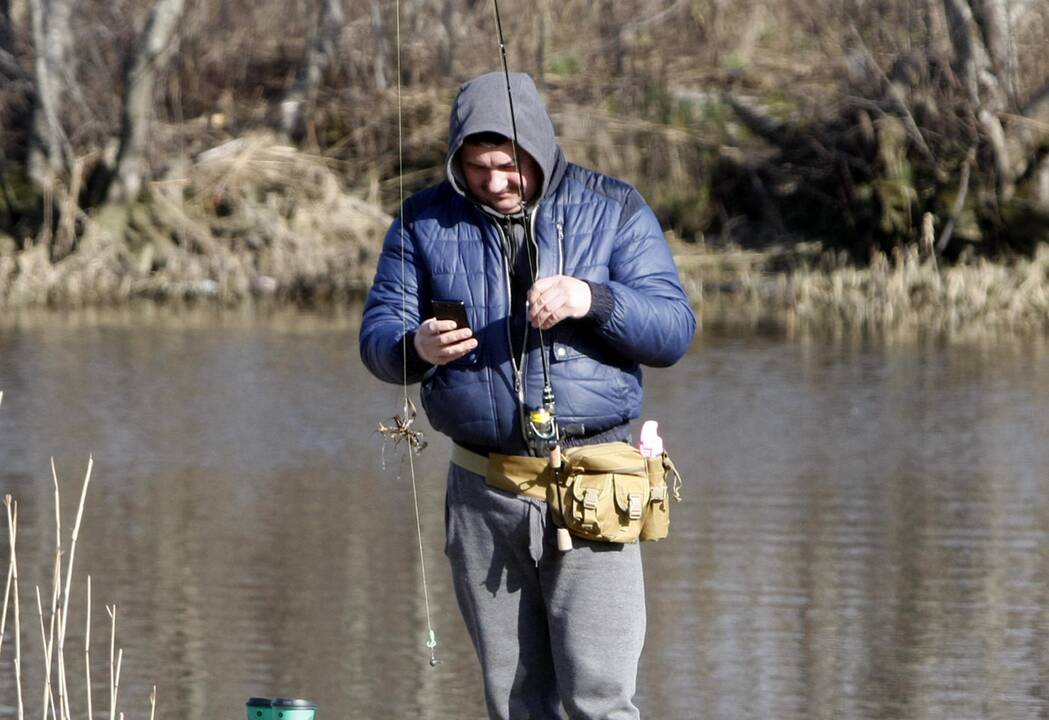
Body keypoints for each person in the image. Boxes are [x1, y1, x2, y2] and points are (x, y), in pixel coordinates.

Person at [360, 71, 696, 720]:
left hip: (596, 482)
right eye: (476, 167)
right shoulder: (421, 221)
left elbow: (672, 331)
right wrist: (414, 347)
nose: (493, 181)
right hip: (482, 492)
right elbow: (378, 335)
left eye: (507, 165)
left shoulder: (614, 207)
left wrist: (591, 300)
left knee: (599, 698)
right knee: (513, 700)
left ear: (537, 150)